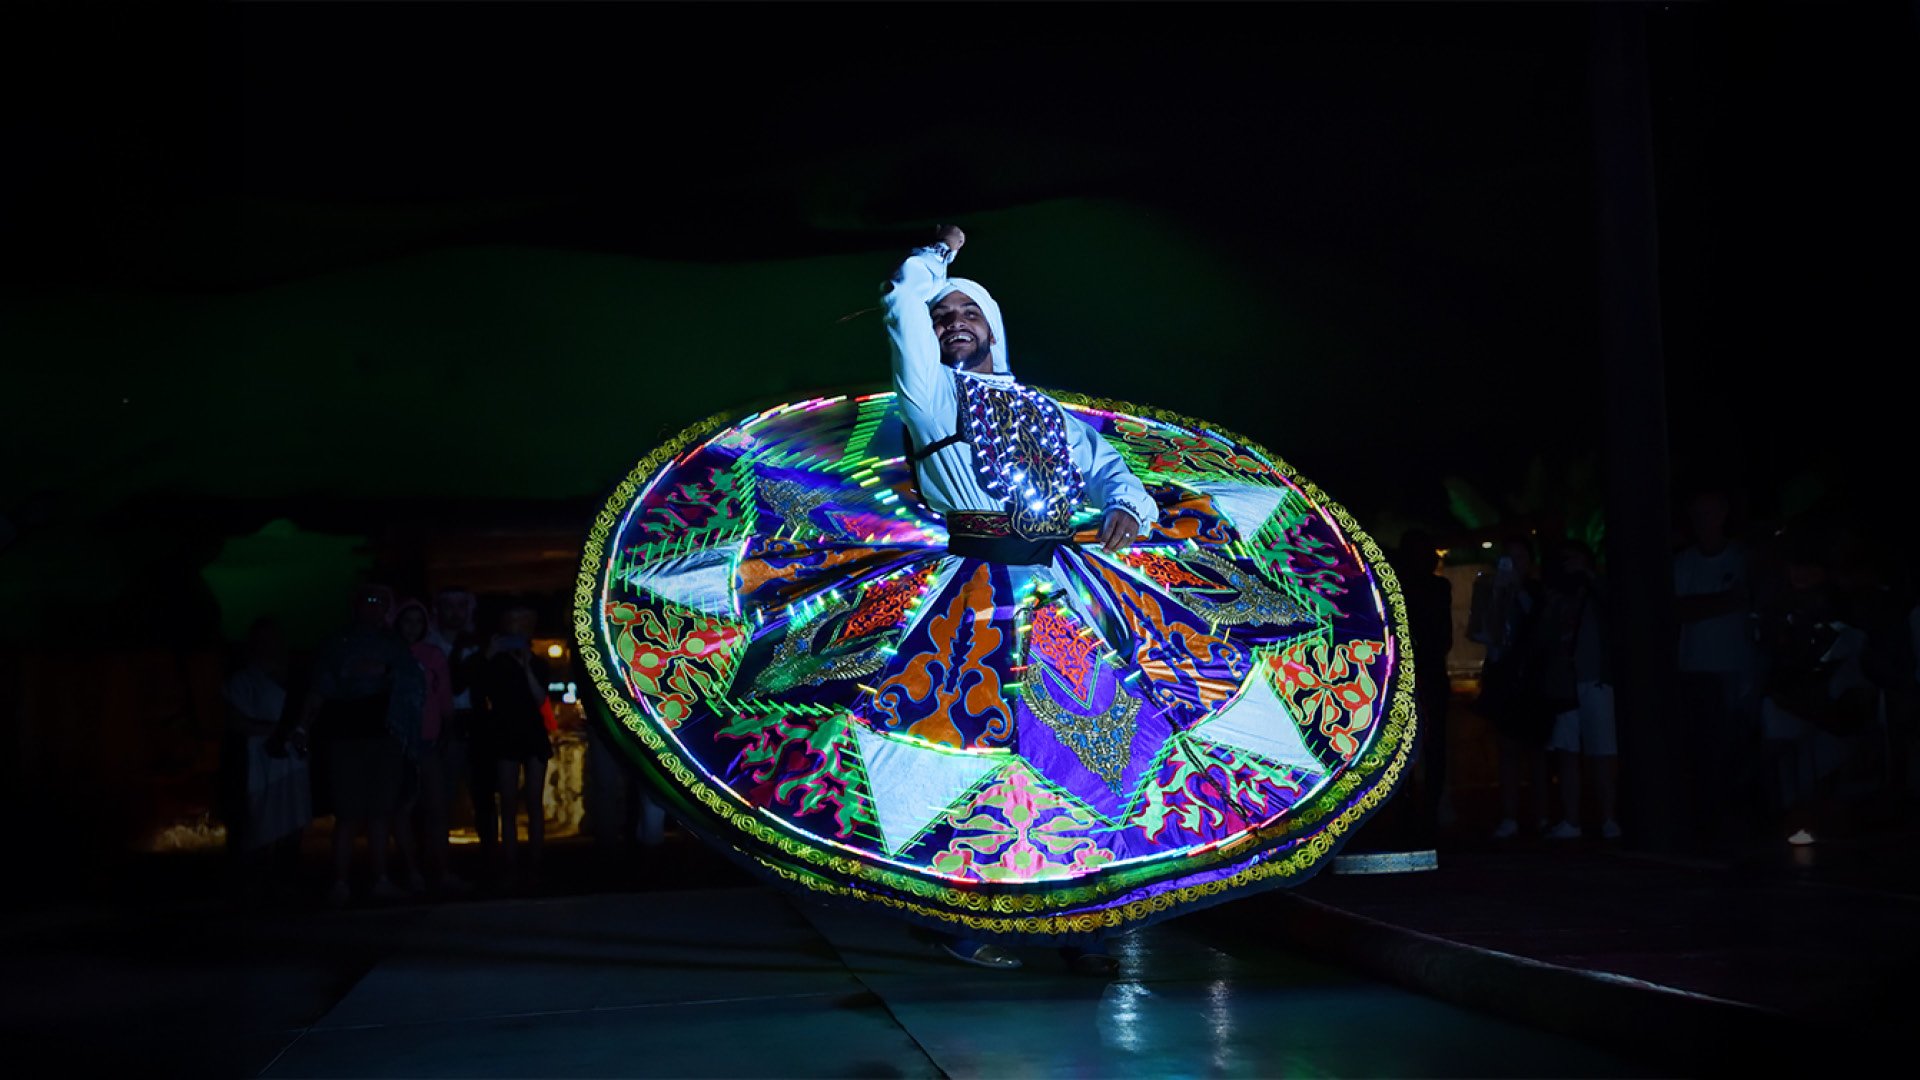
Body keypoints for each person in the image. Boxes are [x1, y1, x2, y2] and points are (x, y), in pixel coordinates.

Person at [576, 225, 1412, 982]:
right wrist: (932, 262)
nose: (951, 325)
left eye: (965, 315)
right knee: (962, 760)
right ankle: (963, 918)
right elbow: (901, 304)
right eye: (943, 320)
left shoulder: (1042, 408)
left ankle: (1082, 917)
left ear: (994, 326)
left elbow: (1111, 470)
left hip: (1063, 585)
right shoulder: (933, 396)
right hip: (965, 590)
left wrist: (1130, 508)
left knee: (1081, 760)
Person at [299, 584, 426, 905]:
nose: (375, 607)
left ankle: (380, 878)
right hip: (344, 737)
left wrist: (386, 673)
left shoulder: (393, 645)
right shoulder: (336, 643)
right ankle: (340, 882)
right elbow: (320, 687)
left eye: (381, 602)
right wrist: (302, 726)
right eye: (369, 600)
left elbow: (413, 684)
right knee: (347, 813)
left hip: (384, 737)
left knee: (382, 812)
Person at [1673, 489, 1761, 851]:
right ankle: (1710, 825)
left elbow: (1755, 598)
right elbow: (1676, 610)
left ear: (1724, 513)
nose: (1703, 521)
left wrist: (1704, 606)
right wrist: (1726, 601)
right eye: (1697, 514)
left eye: (1709, 513)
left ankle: (1739, 823)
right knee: (1706, 751)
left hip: (1740, 669)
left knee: (1739, 748)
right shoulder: (1682, 562)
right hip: (1696, 671)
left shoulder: (1743, 557)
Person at [218, 617, 312, 904]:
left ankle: (285, 880)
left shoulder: (295, 678)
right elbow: (234, 721)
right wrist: (275, 732)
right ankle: (253, 883)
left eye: (275, 638)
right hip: (259, 761)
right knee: (260, 818)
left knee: (294, 818)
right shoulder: (244, 680)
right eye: (264, 638)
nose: (271, 644)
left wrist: (295, 734)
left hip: (292, 761)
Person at [1537, 541, 1621, 841]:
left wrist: (1590, 576)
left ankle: (1609, 817)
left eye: (1575, 560)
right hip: (1564, 683)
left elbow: (1616, 608)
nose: (1568, 565)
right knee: (1567, 752)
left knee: (1603, 752)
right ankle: (1572, 820)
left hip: (1596, 679)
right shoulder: (1557, 596)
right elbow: (1545, 638)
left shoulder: (1597, 589)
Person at [1475, 537, 1553, 840]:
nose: (1514, 564)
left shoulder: (1536, 591)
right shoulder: (1491, 592)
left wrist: (1517, 589)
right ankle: (1510, 816)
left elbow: (1538, 624)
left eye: (1520, 558)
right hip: (1504, 677)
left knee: (1536, 751)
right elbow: (1483, 632)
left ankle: (1542, 815)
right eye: (1508, 559)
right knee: (1507, 749)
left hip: (1532, 678)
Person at [475, 606, 554, 891]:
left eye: (525, 623)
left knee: (533, 802)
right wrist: (489, 655)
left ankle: (535, 860)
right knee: (507, 803)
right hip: (504, 732)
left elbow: (539, 698)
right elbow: (478, 690)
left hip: (532, 733)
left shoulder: (539, 664)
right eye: (514, 622)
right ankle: (509, 861)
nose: (519, 628)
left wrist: (525, 666)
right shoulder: (494, 663)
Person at [1389, 529, 1454, 846]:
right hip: (1421, 675)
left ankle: (1417, 810)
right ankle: (1419, 809)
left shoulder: (1423, 588)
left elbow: (1441, 639)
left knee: (1422, 745)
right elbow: (1442, 639)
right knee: (1426, 746)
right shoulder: (1432, 588)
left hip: (1418, 675)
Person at [395, 598, 464, 894]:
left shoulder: (432, 655)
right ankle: (411, 872)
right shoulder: (390, 653)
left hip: (429, 741)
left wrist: (446, 732)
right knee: (402, 809)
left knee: (436, 808)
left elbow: (445, 698)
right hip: (398, 743)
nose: (412, 628)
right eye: (407, 621)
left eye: (417, 622)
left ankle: (441, 870)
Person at [429, 588, 489, 884]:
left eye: (461, 605)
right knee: (441, 798)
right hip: (444, 726)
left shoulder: (478, 643)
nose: (456, 612)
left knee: (484, 797)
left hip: (476, 723)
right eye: (449, 605)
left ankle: (490, 865)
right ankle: (439, 868)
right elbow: (449, 685)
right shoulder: (429, 643)